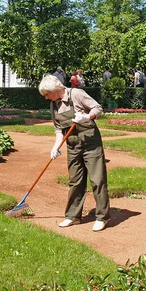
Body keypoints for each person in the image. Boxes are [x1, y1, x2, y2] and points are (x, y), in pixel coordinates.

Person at [38, 74, 109, 232]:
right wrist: (56, 147)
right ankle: (73, 216)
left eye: (46, 94)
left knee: (97, 180)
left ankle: (102, 217)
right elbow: (59, 129)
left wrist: (87, 116)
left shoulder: (76, 94)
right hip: (72, 145)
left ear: (55, 89)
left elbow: (98, 108)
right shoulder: (54, 105)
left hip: (91, 143)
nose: (45, 97)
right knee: (75, 181)